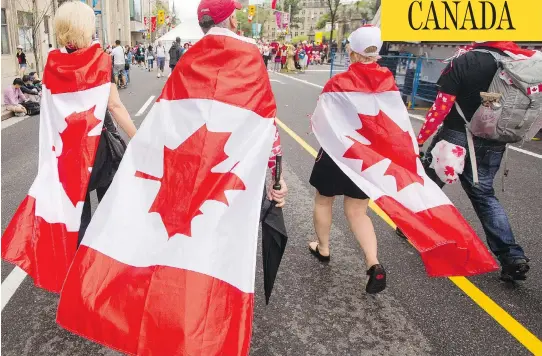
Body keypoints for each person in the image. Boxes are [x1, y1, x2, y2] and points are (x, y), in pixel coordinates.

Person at [416, 41, 534, 281]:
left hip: (455, 135)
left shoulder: (466, 60)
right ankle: (511, 256)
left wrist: (420, 138)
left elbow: (442, 105)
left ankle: (414, 227)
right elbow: (493, 101)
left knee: (430, 182)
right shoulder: (515, 59)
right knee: (484, 194)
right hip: (492, 136)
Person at [308, 26, 386, 294]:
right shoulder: (388, 84)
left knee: (323, 199)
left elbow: (321, 115)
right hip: (367, 155)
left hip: (336, 151)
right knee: (357, 211)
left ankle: (324, 248)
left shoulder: (338, 82)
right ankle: (373, 263)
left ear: (351, 52)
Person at [197, 0, 287, 206]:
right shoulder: (249, 54)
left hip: (201, 161)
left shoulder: (188, 60)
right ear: (232, 21)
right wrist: (276, 174)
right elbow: (265, 117)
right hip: (240, 158)